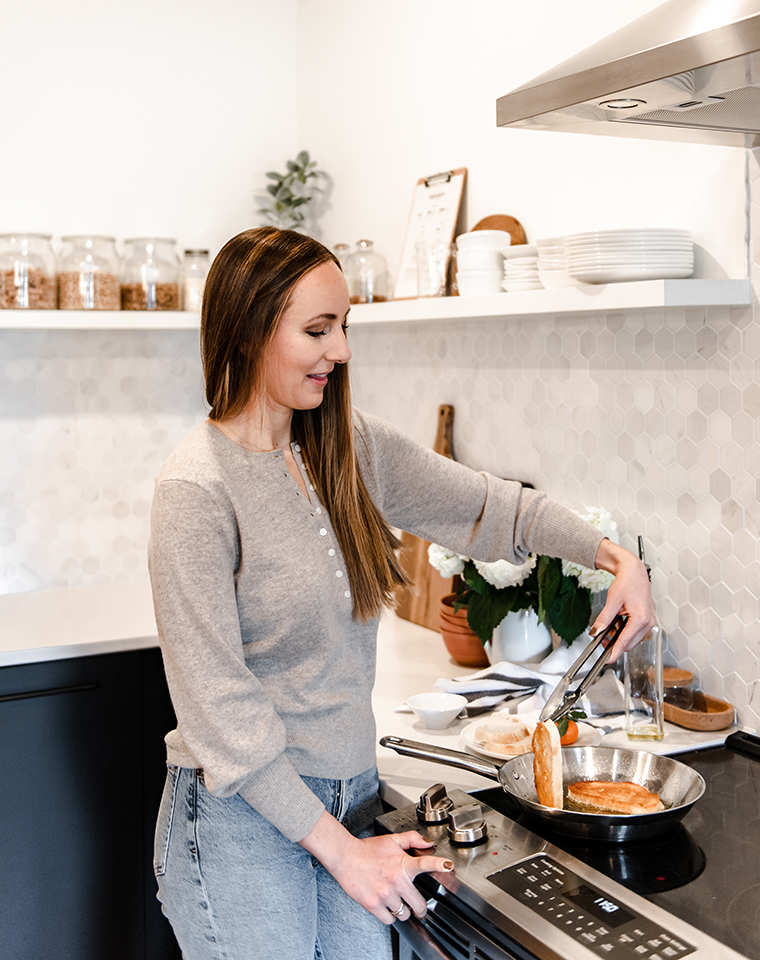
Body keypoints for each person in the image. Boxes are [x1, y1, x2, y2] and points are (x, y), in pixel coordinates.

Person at [148, 226, 655, 960]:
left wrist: (613, 558)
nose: (342, 350)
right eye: (318, 330)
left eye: (344, 326)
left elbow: (491, 508)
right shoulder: (196, 489)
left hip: (352, 800)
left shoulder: (346, 447)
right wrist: (343, 853)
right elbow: (219, 714)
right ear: (249, 330)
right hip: (242, 825)